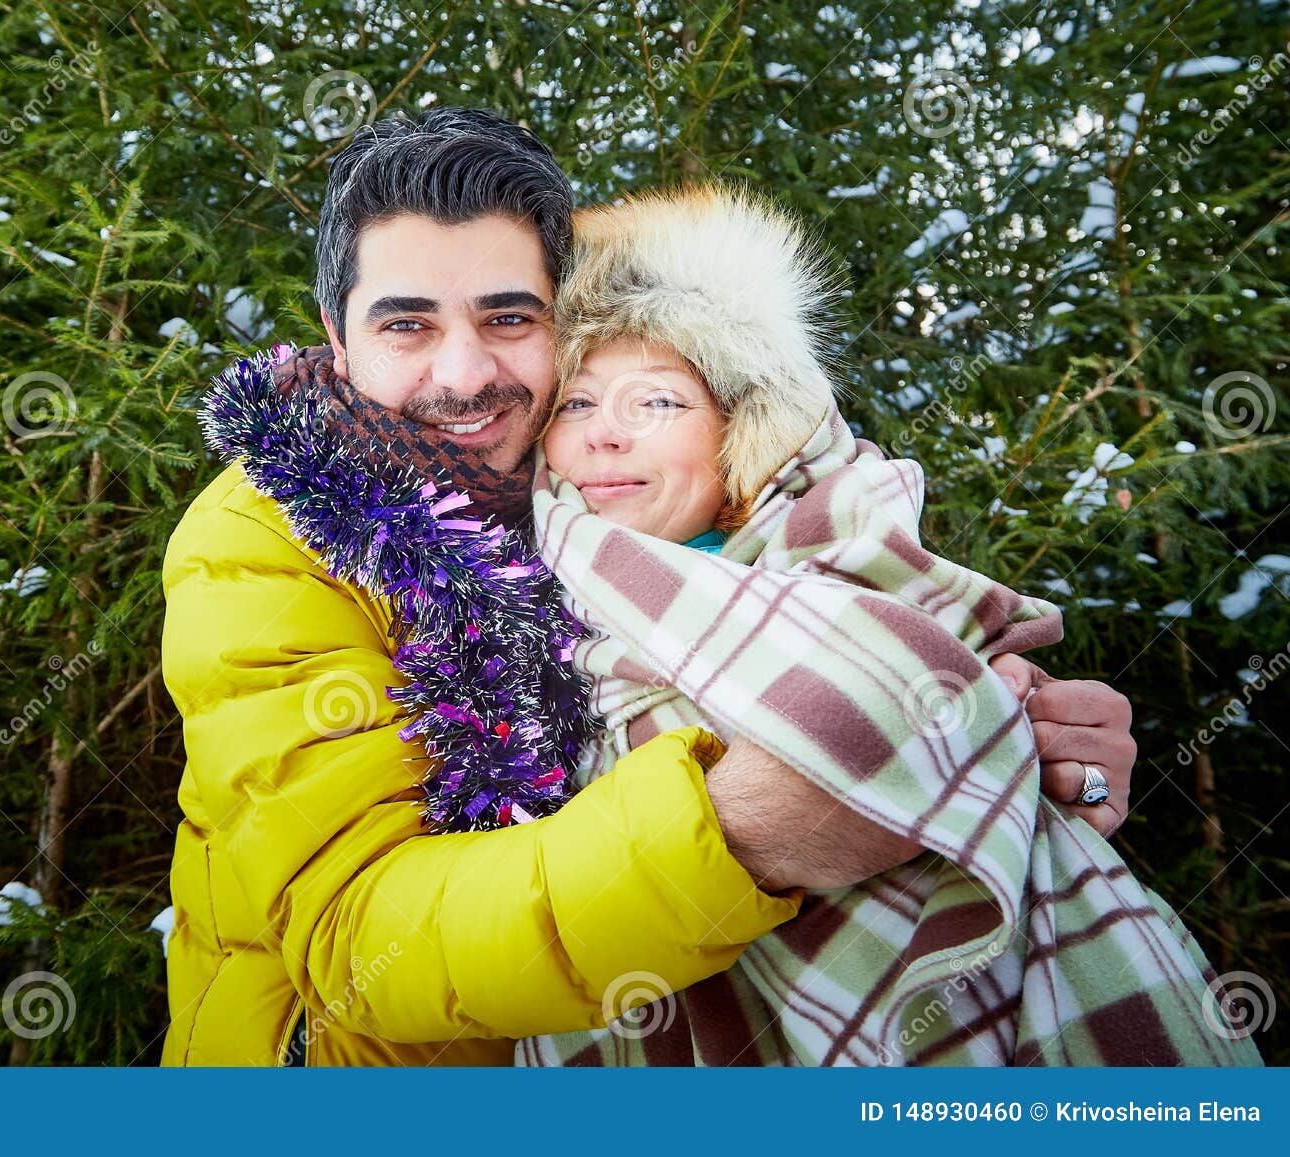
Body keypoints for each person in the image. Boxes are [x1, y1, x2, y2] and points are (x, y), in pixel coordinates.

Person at [159, 107, 1139, 1066]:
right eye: (405, 324)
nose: (463, 374)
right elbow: (357, 934)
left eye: (507, 317)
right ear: (337, 334)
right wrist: (732, 835)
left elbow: (801, 620)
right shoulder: (264, 534)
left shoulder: (595, 501)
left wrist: (1008, 751)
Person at [515, 183, 1258, 1065]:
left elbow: (1023, 765)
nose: (605, 436)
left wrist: (1059, 769)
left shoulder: (849, 557)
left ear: (738, 428)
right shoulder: (495, 607)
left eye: (657, 402)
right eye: (575, 403)